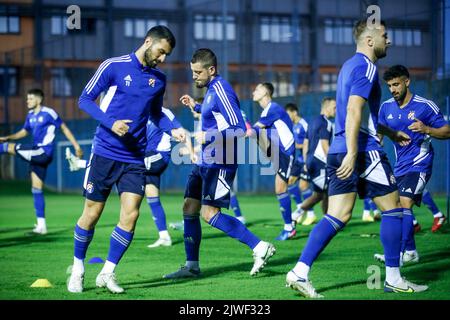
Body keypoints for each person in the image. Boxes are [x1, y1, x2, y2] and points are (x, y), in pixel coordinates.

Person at [285, 20, 428, 298]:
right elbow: (353, 110)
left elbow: (357, 113)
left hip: (341, 148)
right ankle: (394, 278)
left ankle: (299, 272)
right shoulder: (367, 67)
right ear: (370, 40)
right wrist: (354, 152)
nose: (390, 40)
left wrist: (388, 131)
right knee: (395, 207)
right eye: (385, 36)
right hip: (361, 150)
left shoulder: (349, 65)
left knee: (338, 215)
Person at [66, 25, 185, 294]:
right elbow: (85, 99)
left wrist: (174, 127)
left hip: (134, 158)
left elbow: (157, 114)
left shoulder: (159, 79)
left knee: (130, 215)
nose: (162, 59)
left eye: (166, 55)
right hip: (105, 153)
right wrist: (111, 123)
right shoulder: (113, 66)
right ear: (147, 42)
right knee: (92, 214)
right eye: (161, 51)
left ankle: (107, 272)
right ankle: (78, 268)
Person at [163, 48, 275, 279]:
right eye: (192, 72)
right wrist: (195, 106)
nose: (194, 76)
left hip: (221, 161)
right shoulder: (212, 90)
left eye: (197, 72)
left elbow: (238, 129)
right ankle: (191, 266)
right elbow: (214, 114)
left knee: (209, 213)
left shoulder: (222, 88)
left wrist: (210, 137)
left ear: (211, 70)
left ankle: (259, 246)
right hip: (205, 161)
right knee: (189, 207)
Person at [66, 107, 196, 249]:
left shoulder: (163, 112)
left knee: (124, 163)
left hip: (158, 156)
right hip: (148, 156)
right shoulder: (138, 110)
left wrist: (191, 152)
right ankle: (164, 236)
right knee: (152, 197)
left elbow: (184, 134)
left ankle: (79, 163)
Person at [374, 64, 450, 265]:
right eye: (390, 86)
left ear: (407, 81)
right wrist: (378, 138)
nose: (393, 89)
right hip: (400, 166)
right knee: (395, 207)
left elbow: (447, 131)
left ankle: (400, 254)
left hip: (420, 163)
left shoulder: (425, 106)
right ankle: (410, 252)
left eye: (396, 84)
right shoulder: (386, 107)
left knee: (405, 203)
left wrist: (426, 129)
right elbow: (379, 127)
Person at [0, 88, 83, 235]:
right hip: (37, 154)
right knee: (36, 189)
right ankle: (41, 226)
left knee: (6, 148)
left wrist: (76, 146)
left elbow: (64, 128)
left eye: (30, 99)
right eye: (27, 99)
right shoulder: (30, 115)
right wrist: (9, 136)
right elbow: (24, 131)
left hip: (43, 151)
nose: (27, 101)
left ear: (38, 100)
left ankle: (41, 225)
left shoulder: (49, 113)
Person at [252, 82, 297, 240]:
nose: (254, 91)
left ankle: (290, 226)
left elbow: (254, 130)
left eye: (257, 89)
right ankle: (290, 224)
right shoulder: (267, 111)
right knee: (280, 188)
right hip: (278, 153)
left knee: (281, 187)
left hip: (286, 152)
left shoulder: (273, 108)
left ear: (266, 92)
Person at [291, 97, 336, 226]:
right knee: (322, 194)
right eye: (334, 107)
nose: (336, 110)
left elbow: (305, 143)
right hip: (320, 163)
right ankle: (295, 215)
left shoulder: (312, 121)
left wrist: (306, 162)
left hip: (311, 162)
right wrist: (333, 163)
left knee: (322, 193)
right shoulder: (326, 123)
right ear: (326, 107)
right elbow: (325, 145)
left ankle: (328, 220)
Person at [284, 103, 316, 226]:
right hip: (299, 159)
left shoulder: (304, 124)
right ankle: (299, 209)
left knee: (303, 186)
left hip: (307, 158)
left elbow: (310, 142)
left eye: (288, 114)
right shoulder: (293, 125)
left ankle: (311, 214)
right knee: (290, 182)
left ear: (294, 112)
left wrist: (298, 147)